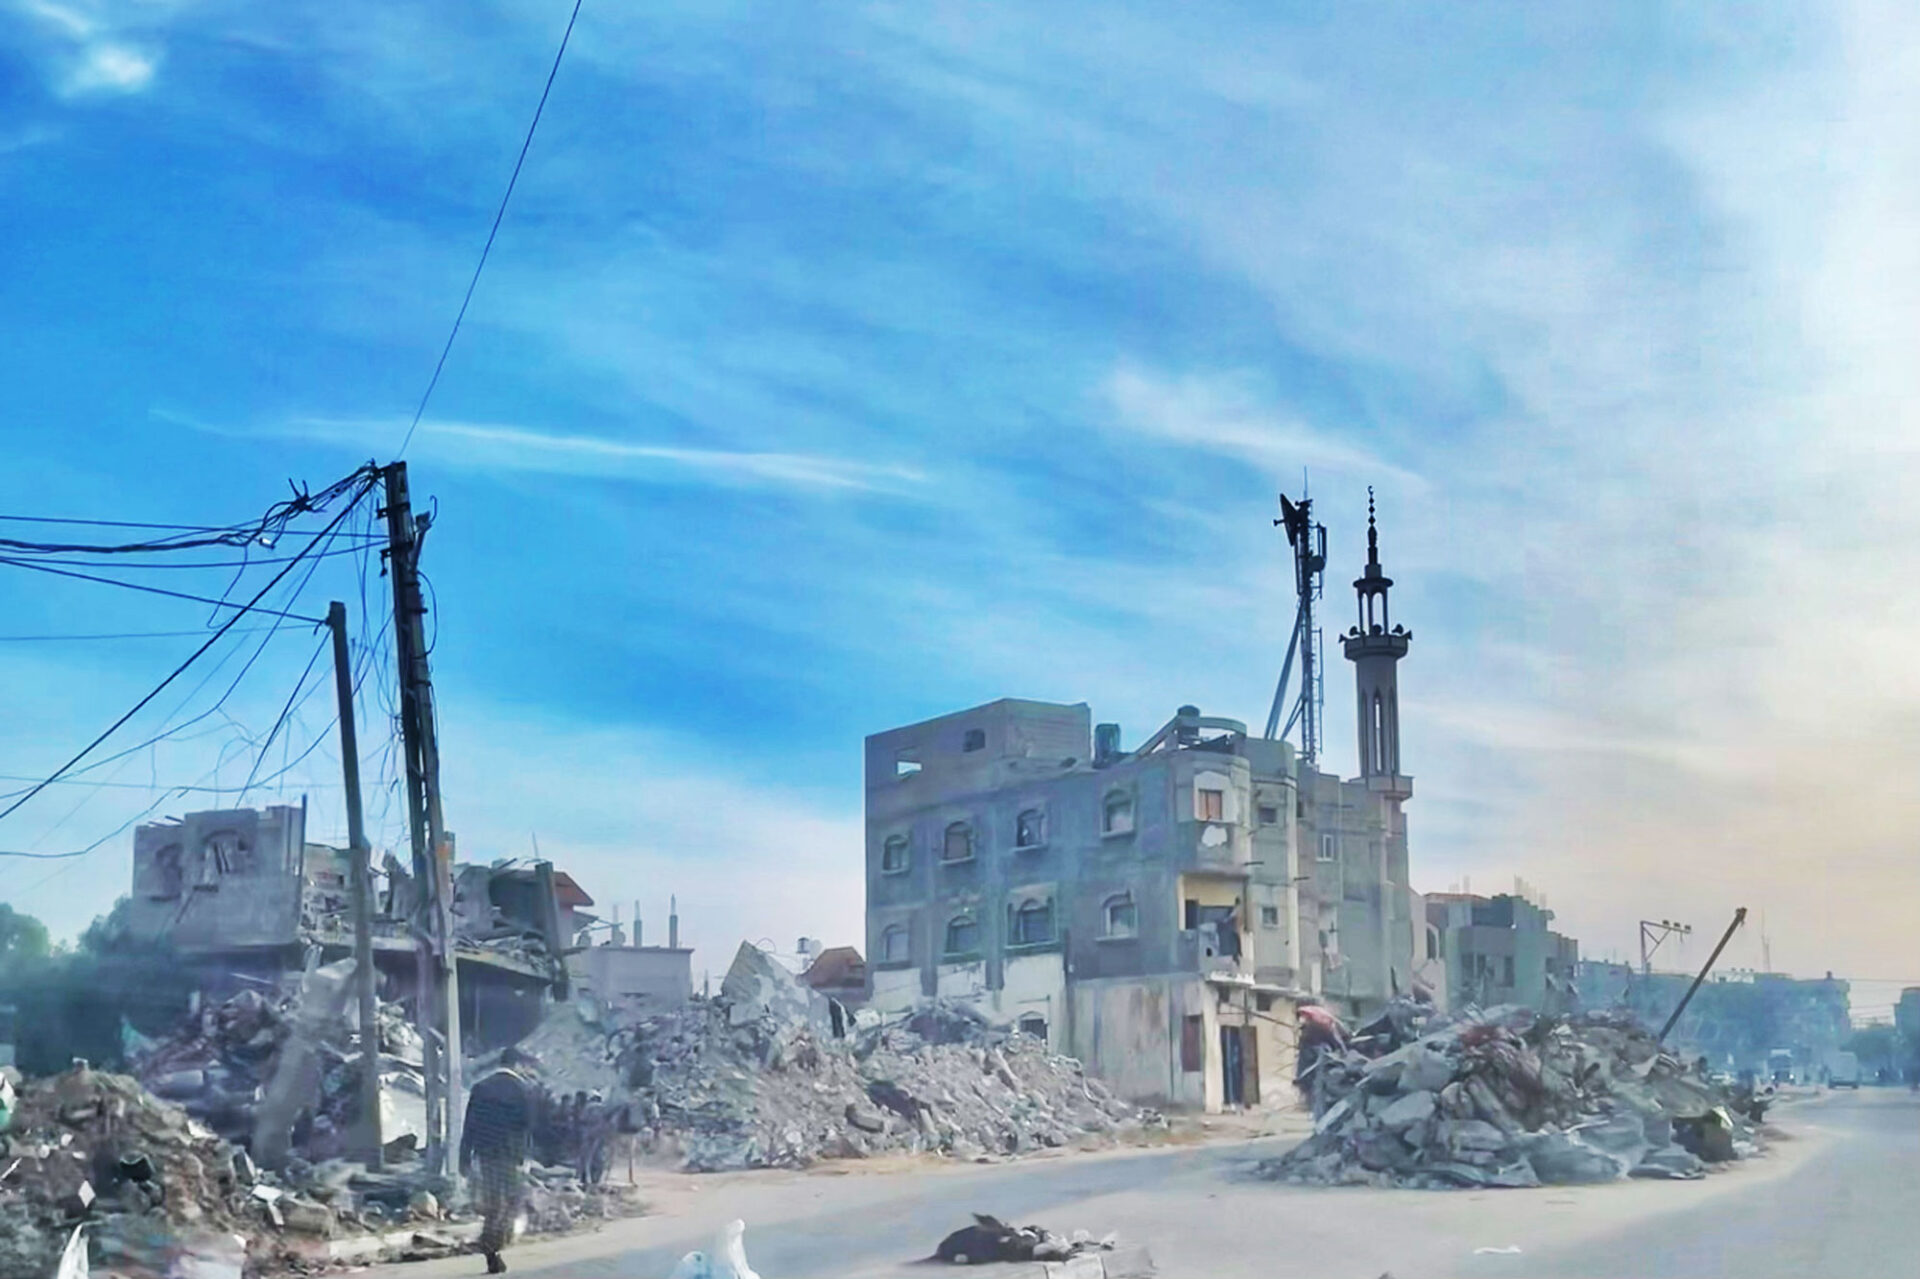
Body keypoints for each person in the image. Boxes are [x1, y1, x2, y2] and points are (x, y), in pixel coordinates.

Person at [461, 1048, 539, 1275]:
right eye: (525, 1066)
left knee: (495, 1201)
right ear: (516, 1065)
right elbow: (527, 1127)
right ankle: (493, 1244)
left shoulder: (481, 1088)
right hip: (510, 1156)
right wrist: (527, 1157)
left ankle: (492, 1247)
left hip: (486, 1155)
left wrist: (464, 1158)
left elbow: (470, 1126)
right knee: (511, 1202)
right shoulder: (523, 1090)